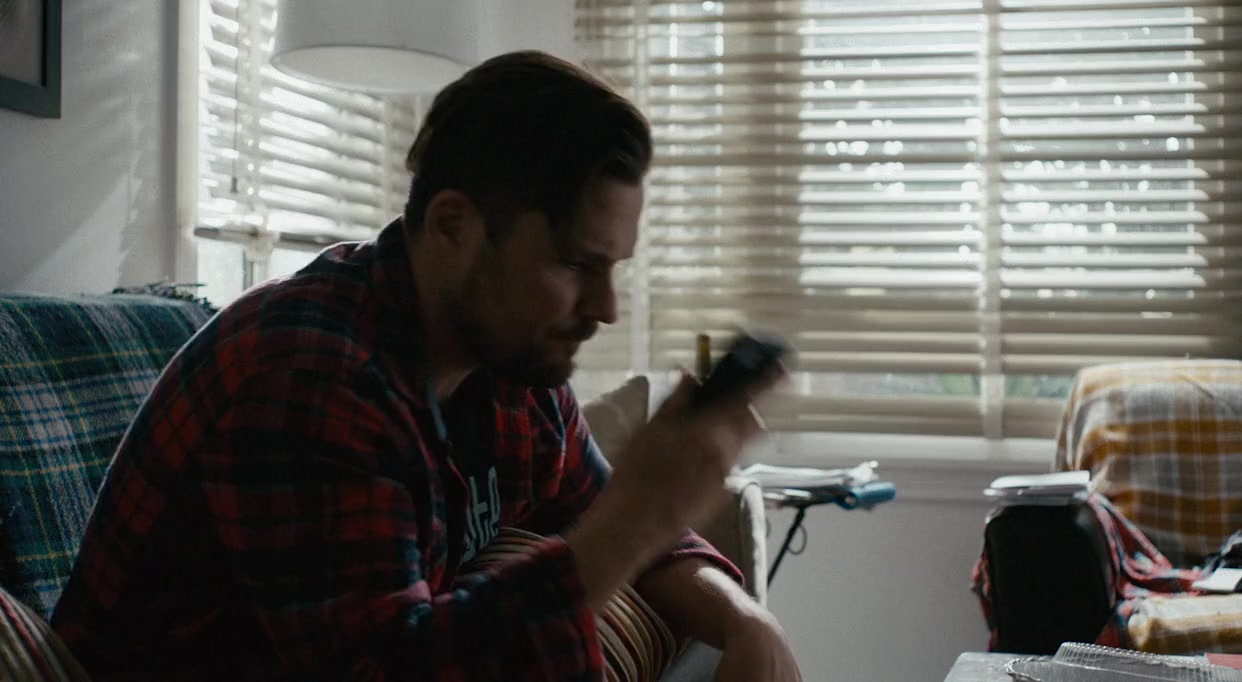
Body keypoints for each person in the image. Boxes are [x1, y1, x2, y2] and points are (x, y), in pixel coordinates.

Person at [51, 51, 801, 680]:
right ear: (452, 225)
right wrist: (637, 517)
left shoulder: (509, 368)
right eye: (576, 265)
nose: (606, 308)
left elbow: (590, 505)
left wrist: (746, 621)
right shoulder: (311, 378)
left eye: (614, 269)